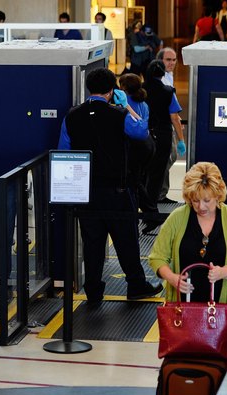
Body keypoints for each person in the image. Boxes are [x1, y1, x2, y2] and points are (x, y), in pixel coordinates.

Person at [58, 67, 163, 304]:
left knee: (92, 243)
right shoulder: (119, 114)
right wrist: (126, 106)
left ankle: (93, 292)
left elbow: (65, 151)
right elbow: (141, 132)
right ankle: (136, 285)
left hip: (86, 192)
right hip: (118, 191)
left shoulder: (72, 116)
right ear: (112, 90)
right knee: (126, 241)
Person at [149, 161, 227, 341]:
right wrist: (172, 278)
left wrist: (225, 272)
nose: (201, 207)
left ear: (218, 195)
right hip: (181, 311)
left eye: (207, 200)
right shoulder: (177, 218)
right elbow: (157, 258)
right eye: (195, 200)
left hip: (221, 312)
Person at [141, 60, 185, 233]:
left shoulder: (140, 90)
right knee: (157, 174)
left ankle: (145, 210)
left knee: (143, 174)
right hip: (163, 136)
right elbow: (174, 117)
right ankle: (152, 211)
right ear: (161, 74)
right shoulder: (168, 92)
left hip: (143, 136)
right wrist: (181, 140)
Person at [118, 73, 155, 209]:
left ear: (124, 87)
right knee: (141, 179)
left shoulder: (124, 102)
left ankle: (150, 212)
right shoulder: (143, 103)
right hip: (148, 143)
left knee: (134, 181)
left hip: (135, 146)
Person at [156, 48, 185, 204]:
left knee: (169, 157)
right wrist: (181, 137)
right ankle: (159, 194)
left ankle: (160, 193)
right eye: (168, 60)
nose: (172, 63)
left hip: (168, 123)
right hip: (163, 126)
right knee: (168, 157)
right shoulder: (160, 80)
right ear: (160, 60)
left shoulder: (169, 76)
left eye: (174, 60)